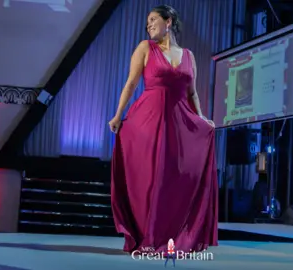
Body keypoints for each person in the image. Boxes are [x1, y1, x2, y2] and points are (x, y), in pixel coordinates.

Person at [109, 5, 218, 254]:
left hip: (179, 125)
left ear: (168, 22)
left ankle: (171, 236)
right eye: (147, 21)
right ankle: (147, 235)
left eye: (153, 19)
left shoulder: (188, 56)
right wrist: (118, 115)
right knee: (150, 180)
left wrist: (201, 119)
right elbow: (131, 83)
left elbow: (192, 93)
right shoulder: (145, 48)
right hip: (148, 121)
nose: (148, 24)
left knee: (173, 180)